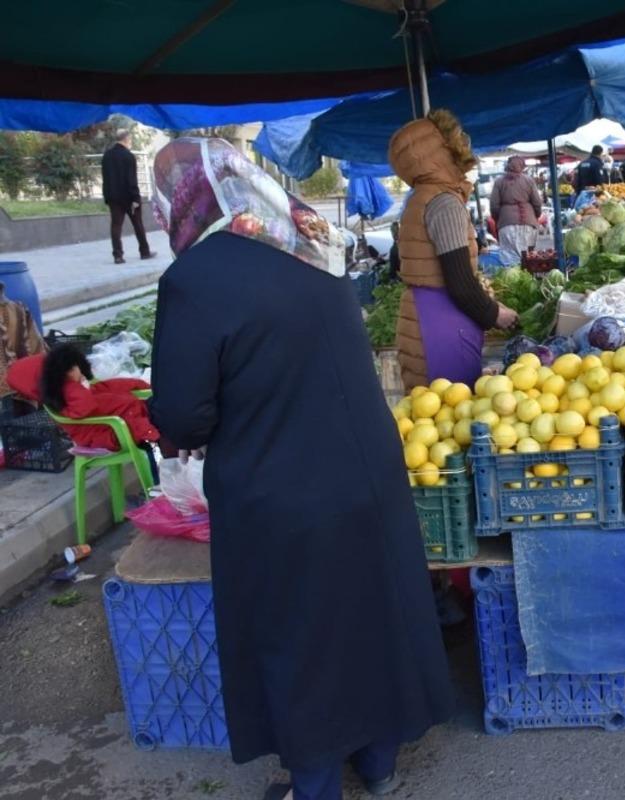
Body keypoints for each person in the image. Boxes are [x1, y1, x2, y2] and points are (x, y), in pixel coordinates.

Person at [145, 137, 454, 800]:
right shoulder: (310, 244)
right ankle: (378, 765)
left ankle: (313, 786)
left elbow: (182, 416)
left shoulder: (196, 277)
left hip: (279, 488)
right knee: (370, 615)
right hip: (369, 473)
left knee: (300, 636)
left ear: (184, 196)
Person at [389, 110, 518, 389]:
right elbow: (459, 282)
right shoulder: (443, 203)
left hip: (422, 317)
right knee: (452, 415)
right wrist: (495, 314)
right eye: (458, 137)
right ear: (442, 149)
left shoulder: (419, 198)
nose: (465, 143)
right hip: (442, 326)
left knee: (430, 414)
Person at [7, 345, 174, 479]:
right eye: (72, 367)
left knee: (171, 420)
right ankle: (157, 488)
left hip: (127, 419)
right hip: (108, 433)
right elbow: (85, 407)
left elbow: (108, 387)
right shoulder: (69, 395)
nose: (77, 370)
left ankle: (166, 484)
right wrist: (76, 385)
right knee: (161, 438)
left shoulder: (74, 390)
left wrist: (140, 384)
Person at [101, 129, 155, 264]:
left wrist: (107, 197)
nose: (130, 142)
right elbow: (132, 180)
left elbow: (105, 178)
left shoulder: (107, 156)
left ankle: (117, 256)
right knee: (138, 224)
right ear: (126, 139)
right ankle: (144, 252)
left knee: (116, 226)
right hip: (129, 198)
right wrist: (136, 198)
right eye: (130, 140)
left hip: (113, 197)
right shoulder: (128, 156)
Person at [489, 155, 542, 254]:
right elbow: (537, 203)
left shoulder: (499, 182)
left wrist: (498, 219)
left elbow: (494, 205)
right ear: (522, 166)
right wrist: (536, 215)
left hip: (506, 224)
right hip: (528, 224)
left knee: (509, 259)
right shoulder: (529, 180)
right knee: (528, 258)